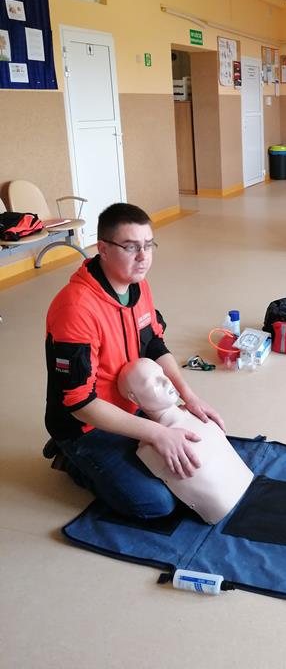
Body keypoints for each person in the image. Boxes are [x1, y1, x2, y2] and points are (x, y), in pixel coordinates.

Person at [44, 202, 225, 519]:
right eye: (130, 247)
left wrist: (190, 397)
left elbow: (153, 344)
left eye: (148, 245)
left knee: (197, 463)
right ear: (103, 249)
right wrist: (156, 433)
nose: (143, 257)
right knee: (156, 504)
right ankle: (71, 458)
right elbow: (79, 403)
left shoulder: (136, 284)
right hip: (85, 426)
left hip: (131, 404)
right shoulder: (76, 309)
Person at [118, 358, 253, 524]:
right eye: (153, 382)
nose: (166, 381)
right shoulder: (148, 450)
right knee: (157, 503)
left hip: (244, 481)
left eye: (162, 374)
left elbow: (157, 346)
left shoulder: (195, 413)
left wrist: (190, 396)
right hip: (219, 509)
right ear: (133, 398)